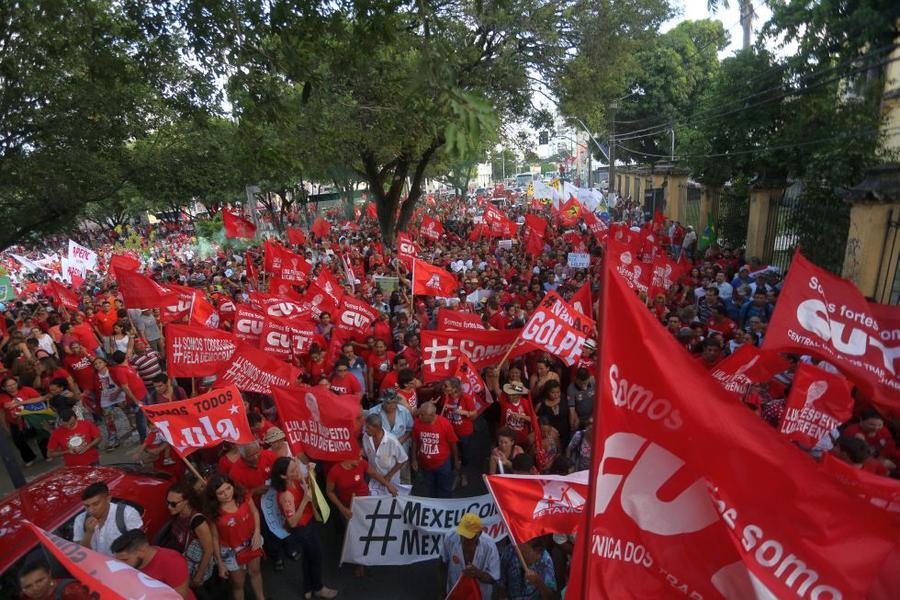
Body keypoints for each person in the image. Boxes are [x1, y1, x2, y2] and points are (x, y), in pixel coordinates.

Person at [270, 456, 338, 599]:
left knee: (308, 557)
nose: (297, 471)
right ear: (283, 475)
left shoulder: (292, 480)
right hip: (302, 528)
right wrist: (305, 501)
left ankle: (308, 587)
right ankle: (319, 588)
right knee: (317, 556)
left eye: (295, 467)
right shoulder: (286, 495)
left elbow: (303, 478)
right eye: (293, 470)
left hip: (308, 523)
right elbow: (293, 522)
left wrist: (308, 471)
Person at [205, 473, 265, 600]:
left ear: (233, 486)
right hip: (231, 551)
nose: (226, 494)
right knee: (238, 584)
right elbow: (215, 538)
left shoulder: (244, 496)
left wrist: (257, 531)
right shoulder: (214, 512)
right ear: (214, 496)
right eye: (220, 493)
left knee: (255, 572)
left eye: (228, 488)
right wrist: (220, 562)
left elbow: (254, 511)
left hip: (252, 541)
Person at [161, 480, 216, 594]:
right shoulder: (179, 513)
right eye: (167, 502)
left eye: (173, 504)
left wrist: (198, 576)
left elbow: (209, 550)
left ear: (186, 502)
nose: (169, 507)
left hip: (193, 569)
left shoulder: (197, 521)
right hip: (182, 564)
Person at [111, 529, 195, 599]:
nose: (121, 564)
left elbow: (180, 597)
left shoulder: (173, 562)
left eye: (125, 559)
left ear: (142, 551)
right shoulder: (134, 563)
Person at [72, 481, 144, 555]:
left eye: (95, 504)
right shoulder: (80, 520)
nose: (91, 510)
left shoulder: (128, 514)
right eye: (87, 506)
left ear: (108, 499)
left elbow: (139, 546)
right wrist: (89, 533)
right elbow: (79, 554)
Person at [440, 513, 500, 600]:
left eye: (469, 537)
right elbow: (442, 565)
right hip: (454, 594)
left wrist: (478, 574)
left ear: (479, 534)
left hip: (480, 596)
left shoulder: (489, 546)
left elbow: (494, 578)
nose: (464, 540)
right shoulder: (450, 537)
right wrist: (441, 593)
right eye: (462, 535)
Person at [411, 401, 458, 498]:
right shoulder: (417, 423)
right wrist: (414, 459)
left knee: (445, 489)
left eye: (423, 415)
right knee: (430, 488)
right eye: (420, 414)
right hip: (425, 465)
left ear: (432, 415)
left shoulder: (445, 424)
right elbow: (415, 442)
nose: (420, 416)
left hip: (443, 464)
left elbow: (453, 444)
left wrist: (456, 461)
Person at [439, 376, 476, 488]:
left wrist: (463, 412)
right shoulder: (445, 397)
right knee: (452, 456)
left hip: (464, 432)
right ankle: (455, 476)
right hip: (450, 433)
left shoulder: (466, 398)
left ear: (455, 387)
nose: (443, 388)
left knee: (464, 455)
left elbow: (474, 414)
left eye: (446, 386)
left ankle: (464, 475)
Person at [362, 412, 408, 496]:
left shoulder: (392, 440)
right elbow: (366, 455)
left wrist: (388, 476)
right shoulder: (365, 437)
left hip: (391, 480)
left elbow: (403, 459)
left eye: (368, 427)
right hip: (374, 479)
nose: (365, 429)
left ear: (377, 428)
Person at [16, 559, 89, 600]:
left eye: (39, 581)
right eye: (28, 586)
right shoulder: (25, 596)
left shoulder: (71, 590)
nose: (35, 588)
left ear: (49, 574)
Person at [566, 368, 594, 432]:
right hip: (579, 420)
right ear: (576, 379)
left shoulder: (593, 382)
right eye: (581, 383)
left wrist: (593, 416)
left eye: (585, 383)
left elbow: (598, 401)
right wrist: (572, 424)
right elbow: (571, 409)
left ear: (589, 378)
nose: (583, 386)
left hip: (592, 418)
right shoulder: (571, 388)